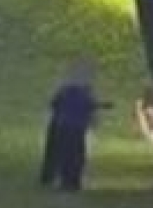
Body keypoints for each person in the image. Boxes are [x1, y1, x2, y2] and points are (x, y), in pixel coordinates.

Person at [40, 60, 109, 191]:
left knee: (65, 154)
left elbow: (54, 104)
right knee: (76, 155)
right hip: (76, 128)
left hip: (63, 126)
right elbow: (90, 109)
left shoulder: (65, 91)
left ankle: (65, 180)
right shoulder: (85, 93)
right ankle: (72, 181)